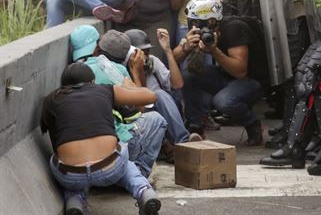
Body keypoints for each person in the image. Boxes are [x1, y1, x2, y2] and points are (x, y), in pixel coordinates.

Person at [41, 63, 161, 215]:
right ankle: (144, 191)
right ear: (92, 82)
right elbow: (151, 96)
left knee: (65, 164)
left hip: (72, 175)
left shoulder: (51, 100)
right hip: (110, 168)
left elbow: (55, 142)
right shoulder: (103, 90)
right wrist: (127, 86)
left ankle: (75, 201)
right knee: (122, 150)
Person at [70, 27, 167, 178]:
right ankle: (138, 173)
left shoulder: (74, 70)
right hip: (109, 146)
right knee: (157, 119)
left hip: (78, 154)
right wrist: (136, 71)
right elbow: (144, 104)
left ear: (97, 48)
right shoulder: (117, 71)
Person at [173, 0, 264, 145]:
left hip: (252, 81)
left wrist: (214, 51)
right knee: (189, 75)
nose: (195, 26)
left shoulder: (234, 29)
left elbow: (240, 71)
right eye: (193, 22)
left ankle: (252, 124)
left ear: (211, 21)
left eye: (197, 22)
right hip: (226, 76)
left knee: (223, 101)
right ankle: (195, 126)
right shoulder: (199, 31)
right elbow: (174, 58)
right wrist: (186, 47)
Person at [124, 28, 202, 160]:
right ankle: (167, 148)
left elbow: (178, 84)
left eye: (147, 52)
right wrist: (136, 71)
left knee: (160, 94)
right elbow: (140, 105)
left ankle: (183, 142)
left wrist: (168, 50)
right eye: (141, 53)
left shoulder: (152, 61)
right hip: (142, 123)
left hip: (166, 119)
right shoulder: (122, 69)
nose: (145, 56)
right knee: (151, 110)